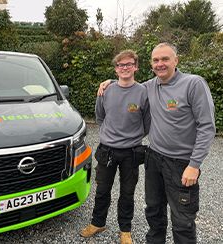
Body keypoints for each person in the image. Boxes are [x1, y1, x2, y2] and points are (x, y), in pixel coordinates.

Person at [98, 42, 216, 244]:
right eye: (156, 60)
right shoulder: (148, 87)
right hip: (153, 158)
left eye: (165, 59)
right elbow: (127, 85)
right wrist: (108, 82)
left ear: (176, 61)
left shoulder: (193, 84)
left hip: (181, 163)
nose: (160, 64)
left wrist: (194, 165)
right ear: (151, 64)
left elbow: (207, 127)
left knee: (182, 220)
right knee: (153, 211)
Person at [80, 50, 150, 244]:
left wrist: (131, 137)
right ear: (116, 69)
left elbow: (147, 123)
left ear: (136, 67)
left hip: (132, 152)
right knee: (102, 190)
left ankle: (125, 230)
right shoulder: (106, 90)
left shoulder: (144, 92)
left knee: (127, 193)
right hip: (107, 150)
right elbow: (100, 116)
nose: (125, 68)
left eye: (129, 64)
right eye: (121, 65)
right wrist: (108, 134)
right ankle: (97, 223)